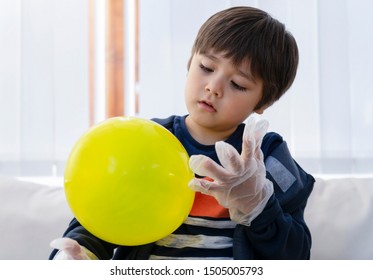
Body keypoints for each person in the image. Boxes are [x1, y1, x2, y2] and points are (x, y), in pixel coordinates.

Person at [49, 6, 314, 260]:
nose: (214, 87)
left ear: (263, 102)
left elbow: (295, 254)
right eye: (207, 67)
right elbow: (99, 221)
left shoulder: (266, 154)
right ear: (190, 62)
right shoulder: (146, 139)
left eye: (237, 84)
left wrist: (259, 206)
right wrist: (77, 256)